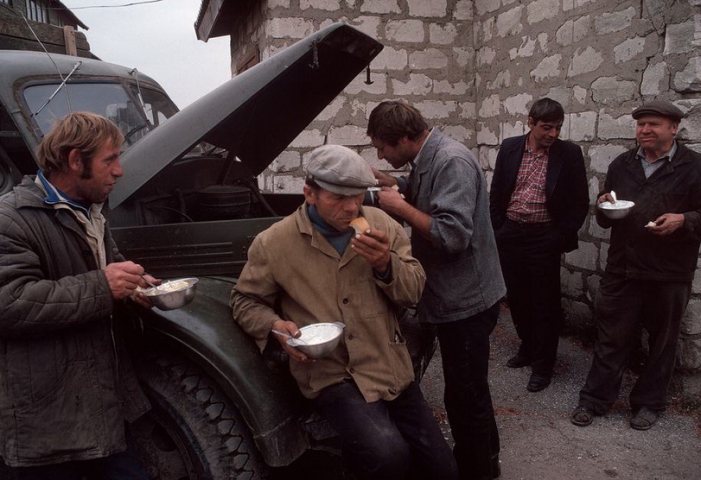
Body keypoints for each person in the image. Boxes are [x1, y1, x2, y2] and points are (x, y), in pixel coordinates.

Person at [231, 144, 457, 480]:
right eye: (338, 197)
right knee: (387, 455)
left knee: (443, 469)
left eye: (357, 196)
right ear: (310, 193)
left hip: (387, 362)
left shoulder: (381, 224)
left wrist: (385, 264)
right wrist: (276, 326)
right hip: (332, 372)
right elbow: (244, 300)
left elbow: (414, 291)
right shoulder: (274, 243)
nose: (351, 207)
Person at [0, 112, 157, 478]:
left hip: (101, 406)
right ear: (74, 160)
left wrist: (136, 285)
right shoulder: (11, 218)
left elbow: (109, 264)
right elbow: (9, 302)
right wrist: (103, 287)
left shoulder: (89, 212)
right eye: (109, 159)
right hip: (49, 422)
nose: (119, 170)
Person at [367, 101, 505, 480]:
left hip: (467, 300)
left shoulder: (451, 161)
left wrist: (400, 207)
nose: (381, 153)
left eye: (384, 147)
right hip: (457, 295)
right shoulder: (430, 158)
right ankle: (488, 459)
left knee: (463, 396)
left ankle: (477, 471)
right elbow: (427, 190)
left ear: (407, 137)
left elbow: (453, 234)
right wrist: (392, 182)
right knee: (472, 387)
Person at [571, 100, 701, 430]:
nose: (645, 130)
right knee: (611, 337)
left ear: (674, 128)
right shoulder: (623, 164)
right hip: (622, 268)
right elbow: (607, 216)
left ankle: (649, 404)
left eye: (653, 124)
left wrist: (684, 219)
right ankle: (594, 400)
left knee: (662, 342)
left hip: (669, 272)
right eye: (640, 125)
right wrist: (603, 207)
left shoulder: (695, 166)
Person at [489, 97, 589, 392]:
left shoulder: (568, 154)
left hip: (544, 236)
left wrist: (558, 236)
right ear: (530, 122)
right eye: (547, 127)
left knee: (544, 303)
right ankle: (528, 348)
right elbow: (496, 193)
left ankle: (544, 365)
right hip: (511, 234)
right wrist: (499, 228)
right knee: (517, 297)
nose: (553, 134)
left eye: (558, 128)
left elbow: (579, 202)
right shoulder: (509, 148)